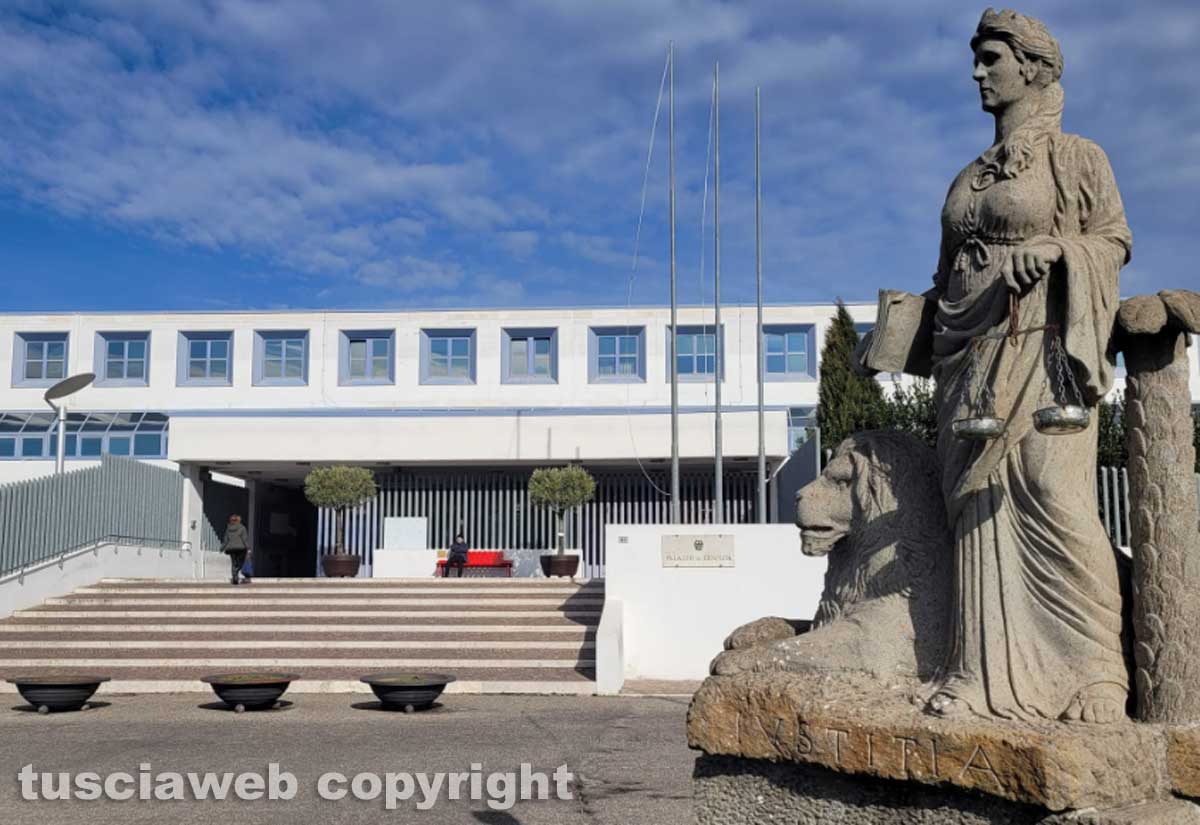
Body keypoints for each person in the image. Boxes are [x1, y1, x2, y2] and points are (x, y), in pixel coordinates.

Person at [882, 9, 1131, 724]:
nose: (977, 72)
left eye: (991, 58)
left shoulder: (1076, 157)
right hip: (969, 361)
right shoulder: (967, 176)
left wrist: (1057, 251)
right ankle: (977, 673)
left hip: (1043, 352)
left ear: (1033, 67)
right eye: (977, 58)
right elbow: (947, 277)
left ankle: (1097, 674)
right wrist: (901, 328)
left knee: (1053, 496)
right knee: (975, 511)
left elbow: (1112, 240)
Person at [221, 514, 252, 585]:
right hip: (241, 548)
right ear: (239, 520)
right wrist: (248, 548)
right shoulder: (242, 528)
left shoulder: (228, 529)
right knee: (241, 562)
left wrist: (222, 548)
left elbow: (226, 539)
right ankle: (236, 572)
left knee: (233, 563)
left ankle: (235, 577)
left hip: (231, 549)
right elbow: (244, 539)